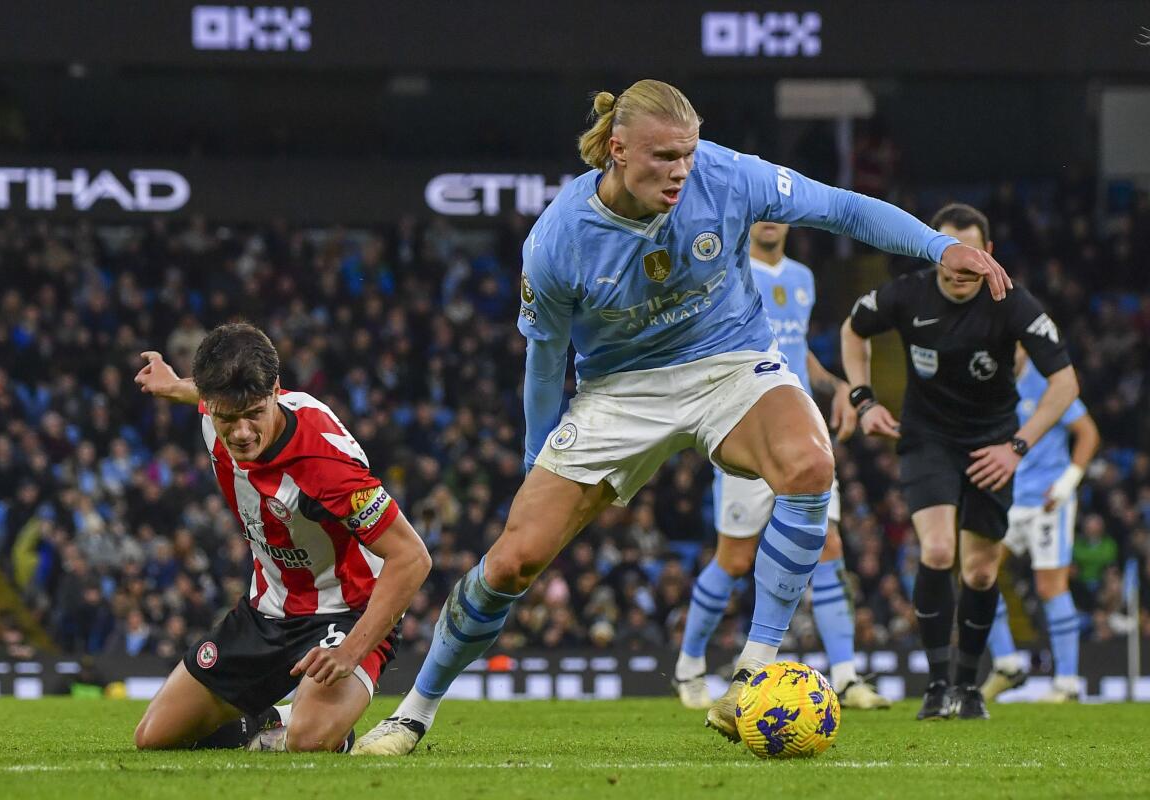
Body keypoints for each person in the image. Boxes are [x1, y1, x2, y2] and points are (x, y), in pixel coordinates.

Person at [356, 79, 1009, 755]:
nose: (680, 171)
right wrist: (534, 459)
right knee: (511, 564)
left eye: (687, 154)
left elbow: (839, 208)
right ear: (616, 150)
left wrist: (937, 247)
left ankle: (752, 670)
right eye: (664, 156)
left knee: (811, 464)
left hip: (728, 361)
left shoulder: (726, 176)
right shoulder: (558, 241)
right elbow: (547, 359)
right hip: (619, 390)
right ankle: (413, 712)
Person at [130, 323, 431, 752]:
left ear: (275, 390)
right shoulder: (219, 407)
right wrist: (175, 385)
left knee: (309, 740)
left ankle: (318, 724)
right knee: (155, 737)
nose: (241, 433)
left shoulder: (325, 463)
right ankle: (268, 721)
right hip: (266, 610)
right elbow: (209, 395)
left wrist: (350, 651)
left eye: (254, 414)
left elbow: (412, 558)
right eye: (226, 418)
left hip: (345, 611)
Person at [841, 203, 1078, 721]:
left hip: (992, 444)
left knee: (979, 571)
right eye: (953, 260)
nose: (961, 272)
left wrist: (1017, 447)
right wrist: (864, 399)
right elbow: (853, 331)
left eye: (973, 262)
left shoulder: (1013, 303)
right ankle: (936, 683)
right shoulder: (906, 293)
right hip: (927, 438)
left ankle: (969, 689)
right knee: (939, 550)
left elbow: (1065, 384)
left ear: (987, 254)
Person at [672, 221, 890, 714]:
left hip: (802, 430)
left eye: (778, 212)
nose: (770, 220)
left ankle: (847, 676)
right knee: (733, 559)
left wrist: (834, 387)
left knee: (829, 547)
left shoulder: (803, 278)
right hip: (747, 425)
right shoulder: (726, 270)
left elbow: (796, 349)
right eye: (760, 213)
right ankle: (689, 666)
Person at [981, 348, 1099, 703]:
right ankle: (1006, 665)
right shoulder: (992, 380)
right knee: (977, 573)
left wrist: (1066, 485)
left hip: (1049, 502)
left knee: (1050, 587)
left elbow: (1088, 433)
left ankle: (1067, 684)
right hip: (1011, 498)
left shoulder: (1049, 380)